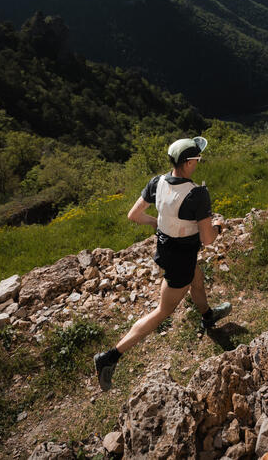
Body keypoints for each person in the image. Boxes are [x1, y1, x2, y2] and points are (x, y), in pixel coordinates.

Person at [94, 136, 231, 390]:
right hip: (181, 257)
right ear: (189, 163)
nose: (199, 162)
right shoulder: (197, 194)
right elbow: (208, 239)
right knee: (162, 311)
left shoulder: (157, 182)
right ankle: (109, 357)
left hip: (167, 250)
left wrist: (157, 223)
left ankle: (208, 316)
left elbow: (133, 215)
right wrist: (219, 227)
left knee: (196, 279)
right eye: (197, 159)